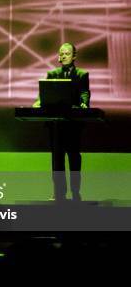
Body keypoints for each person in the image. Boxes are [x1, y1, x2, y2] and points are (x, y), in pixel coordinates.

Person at [33, 42, 90, 202]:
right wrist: (38, 102)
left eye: (67, 53)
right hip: (56, 126)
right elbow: (44, 94)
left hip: (73, 124)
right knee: (57, 160)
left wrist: (84, 103)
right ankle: (58, 193)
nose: (63, 56)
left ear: (74, 56)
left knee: (74, 158)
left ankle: (75, 192)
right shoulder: (52, 73)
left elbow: (84, 92)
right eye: (61, 53)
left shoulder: (82, 74)